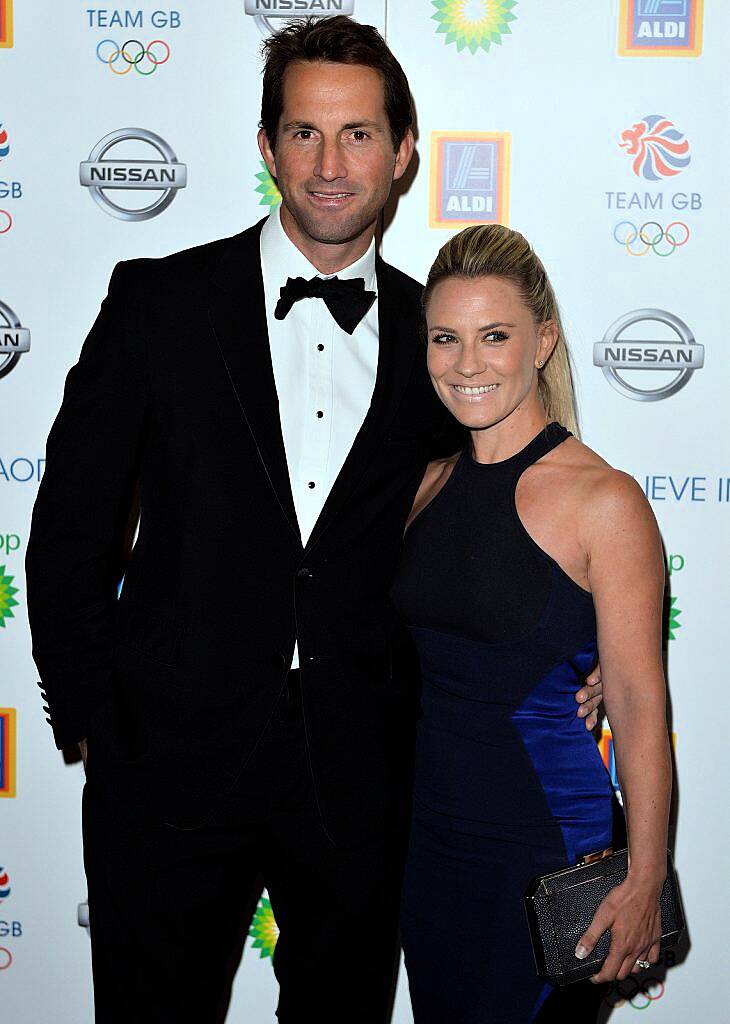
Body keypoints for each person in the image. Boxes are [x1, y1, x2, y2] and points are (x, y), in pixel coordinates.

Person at [25, 17, 603, 1023]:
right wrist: (98, 721)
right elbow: (70, 523)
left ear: (403, 152)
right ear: (266, 147)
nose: (330, 165)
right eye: (303, 133)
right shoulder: (161, 302)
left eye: (358, 135)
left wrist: (587, 642)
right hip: (169, 766)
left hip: (363, 772)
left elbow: (510, 506)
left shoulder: (445, 337)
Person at [391, 224, 672, 1023]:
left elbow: (642, 710)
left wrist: (645, 874)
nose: (468, 363)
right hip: (427, 852)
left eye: (495, 336)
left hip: (549, 852)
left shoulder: (603, 501)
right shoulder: (423, 486)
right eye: (446, 338)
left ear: (542, 339)